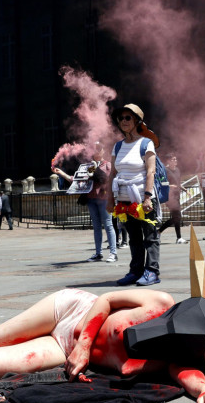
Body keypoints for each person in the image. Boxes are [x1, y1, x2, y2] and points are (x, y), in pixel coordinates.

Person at [0, 288, 205, 403]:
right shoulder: (159, 302)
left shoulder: (169, 357)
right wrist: (84, 345)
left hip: (62, 347)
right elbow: (106, 300)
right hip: (70, 311)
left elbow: (184, 372)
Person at [108, 103, 161, 287]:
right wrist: (109, 200)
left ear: (137, 121)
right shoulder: (117, 147)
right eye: (121, 118)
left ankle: (152, 271)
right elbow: (112, 174)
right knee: (134, 238)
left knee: (150, 236)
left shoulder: (146, 144)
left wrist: (147, 197)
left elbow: (151, 171)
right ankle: (136, 271)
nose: (123, 121)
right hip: (124, 200)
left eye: (128, 117)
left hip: (143, 198)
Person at [53, 142, 117, 263]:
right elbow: (77, 180)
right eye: (94, 149)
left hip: (103, 199)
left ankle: (113, 252)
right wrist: (61, 173)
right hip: (91, 198)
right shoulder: (89, 166)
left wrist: (95, 171)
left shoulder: (107, 165)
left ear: (103, 151)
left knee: (108, 225)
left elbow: (108, 181)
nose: (96, 152)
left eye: (99, 149)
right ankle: (98, 253)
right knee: (97, 226)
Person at [158, 152, 186, 244]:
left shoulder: (177, 170)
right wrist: (170, 186)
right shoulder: (165, 170)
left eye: (175, 159)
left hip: (177, 196)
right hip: (169, 197)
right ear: (168, 161)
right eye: (173, 159)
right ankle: (178, 238)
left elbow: (178, 183)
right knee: (177, 216)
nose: (175, 161)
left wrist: (185, 190)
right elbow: (161, 183)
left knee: (176, 217)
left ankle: (159, 231)